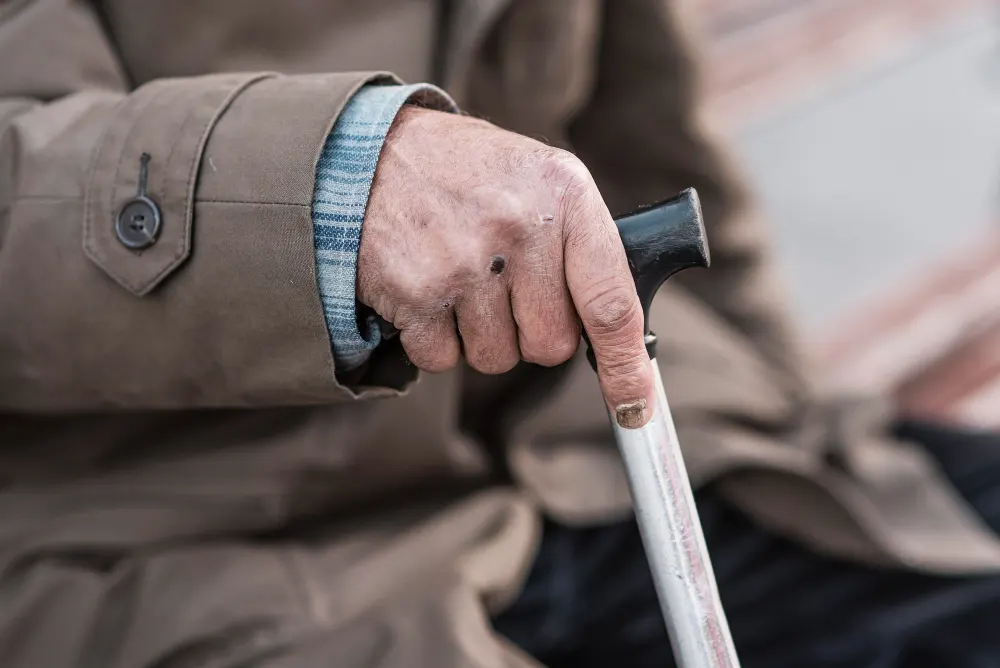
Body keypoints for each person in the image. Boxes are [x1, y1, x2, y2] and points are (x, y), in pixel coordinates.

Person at [2, 1, 1000, 667]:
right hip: (180, 548)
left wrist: (785, 410)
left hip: (577, 449)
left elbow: (640, 136)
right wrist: (331, 186)